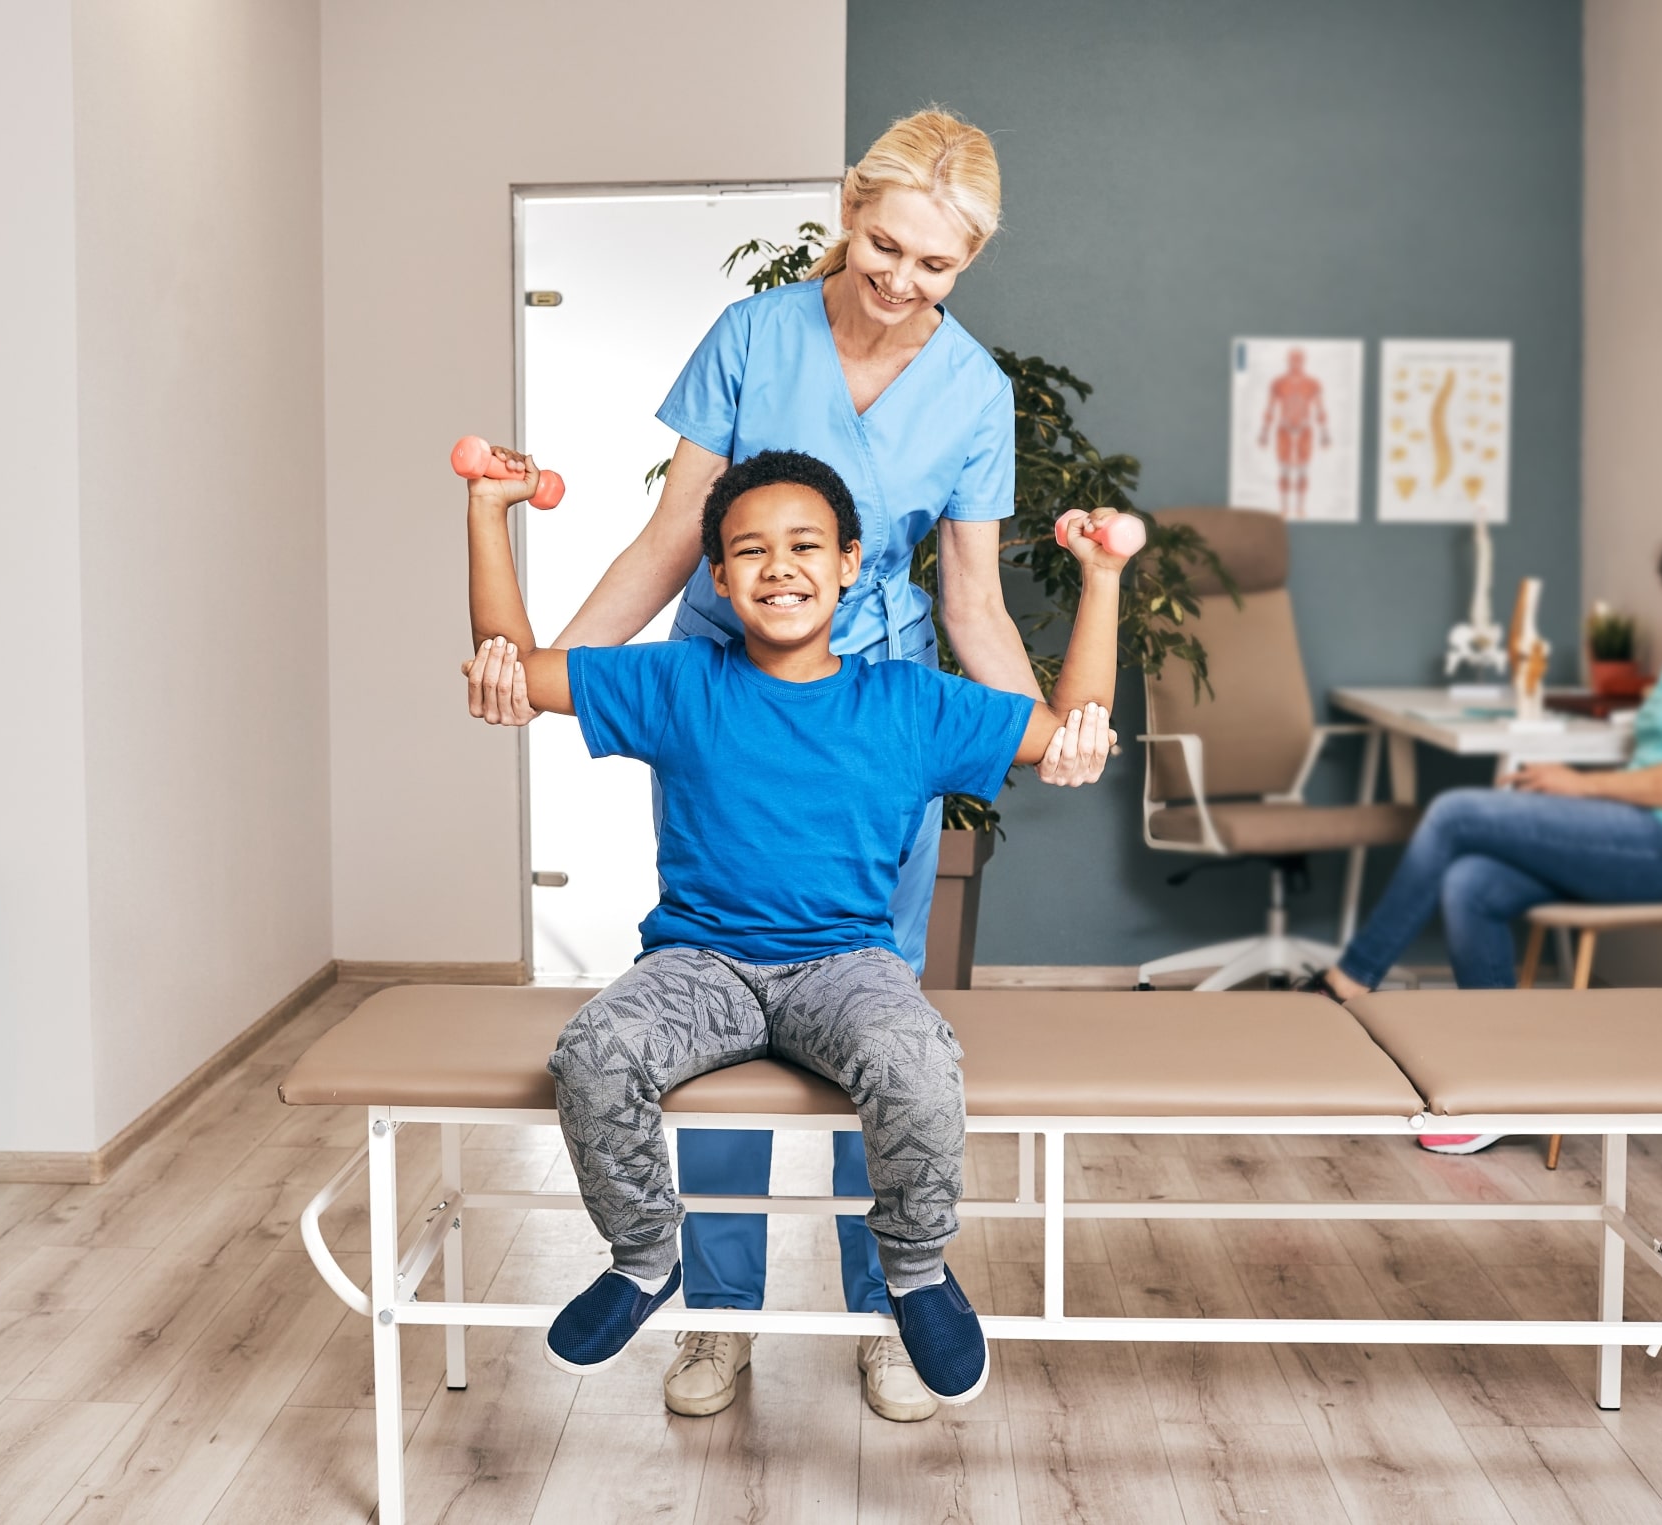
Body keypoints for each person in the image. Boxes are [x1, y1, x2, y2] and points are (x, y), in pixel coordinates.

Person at [464, 108, 1100, 1422]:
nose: (903, 281)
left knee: (872, 1022)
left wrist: (1053, 729)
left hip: (874, 724)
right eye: (885, 245)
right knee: (719, 1005)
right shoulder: (756, 336)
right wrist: (547, 680)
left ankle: (886, 1310)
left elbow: (975, 605)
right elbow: (663, 541)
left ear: (969, 262)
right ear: (848, 210)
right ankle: (719, 1312)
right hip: (733, 693)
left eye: (939, 265)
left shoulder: (973, 393)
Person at [1316, 479, 1662, 1153]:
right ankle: (1502, 1082)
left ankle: (1346, 985)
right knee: (1472, 880)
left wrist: (1579, 787)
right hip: (1653, 837)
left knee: (1455, 812)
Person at [1257, 347, 1330, 518]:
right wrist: (1264, 432)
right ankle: (1283, 508)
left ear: (1303, 360)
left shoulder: (1312, 383)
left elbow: (1320, 408)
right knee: (1284, 469)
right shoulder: (1278, 382)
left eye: (1299, 359)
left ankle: (1300, 508)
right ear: (1288, 360)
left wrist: (1325, 432)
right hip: (1284, 429)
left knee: (1303, 469)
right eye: (1293, 359)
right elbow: (1270, 407)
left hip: (1304, 429)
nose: (1296, 362)